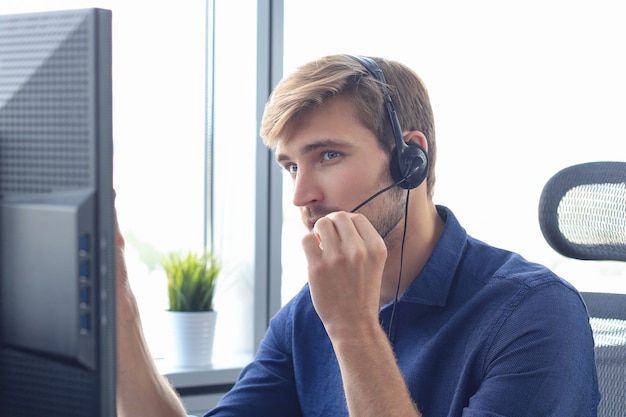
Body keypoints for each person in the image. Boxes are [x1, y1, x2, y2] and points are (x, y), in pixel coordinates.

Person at [116, 54, 600, 417]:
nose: (301, 195)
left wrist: (353, 329)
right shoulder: (307, 315)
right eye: (290, 166)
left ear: (410, 159)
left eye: (328, 155)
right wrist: (121, 313)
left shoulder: (534, 312)